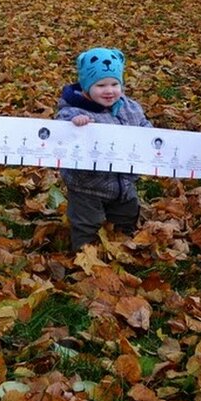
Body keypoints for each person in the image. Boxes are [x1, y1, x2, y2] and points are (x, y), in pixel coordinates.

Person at [55, 47, 153, 250]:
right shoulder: (75, 110)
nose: (109, 91)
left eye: (115, 84)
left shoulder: (130, 107)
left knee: (126, 215)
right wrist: (75, 122)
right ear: (86, 86)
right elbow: (61, 127)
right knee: (86, 222)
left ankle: (124, 247)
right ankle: (83, 254)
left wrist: (150, 136)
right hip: (87, 184)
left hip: (124, 181)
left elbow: (144, 126)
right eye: (101, 85)